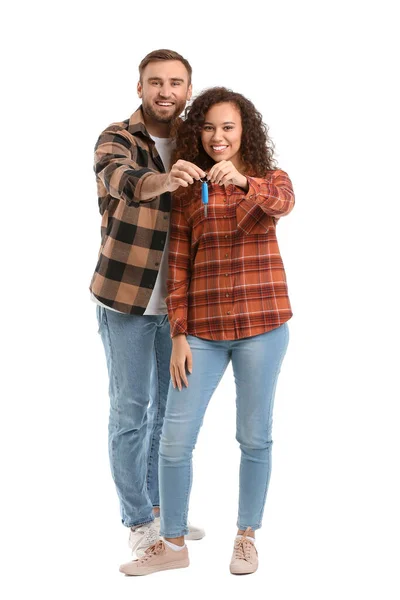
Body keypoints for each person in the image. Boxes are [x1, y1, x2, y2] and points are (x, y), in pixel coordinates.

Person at [119, 87, 295, 576]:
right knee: (175, 440)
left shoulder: (268, 179)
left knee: (254, 437)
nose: (218, 137)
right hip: (203, 332)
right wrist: (178, 334)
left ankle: (246, 536)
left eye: (229, 127)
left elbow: (284, 202)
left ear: (245, 132)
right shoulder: (186, 190)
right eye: (210, 127)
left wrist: (241, 182)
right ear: (199, 133)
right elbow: (177, 266)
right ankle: (172, 543)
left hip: (264, 327)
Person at [90, 49, 205, 558]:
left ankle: (162, 512)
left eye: (175, 83)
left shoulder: (195, 141)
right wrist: (168, 179)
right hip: (126, 303)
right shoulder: (118, 137)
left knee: (169, 413)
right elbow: (125, 181)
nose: (165, 91)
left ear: (186, 90)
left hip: (179, 309)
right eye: (155, 82)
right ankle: (138, 522)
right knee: (132, 413)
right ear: (140, 88)